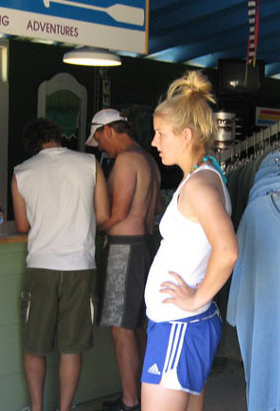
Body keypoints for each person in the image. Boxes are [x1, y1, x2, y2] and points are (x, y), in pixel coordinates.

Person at [141, 71, 238, 411]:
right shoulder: (204, 174)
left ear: (185, 136)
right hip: (180, 325)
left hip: (179, 327)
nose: (154, 142)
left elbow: (227, 251)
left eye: (160, 134)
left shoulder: (199, 185)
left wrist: (197, 297)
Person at [11, 118, 110, 411]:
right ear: (58, 136)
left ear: (31, 143)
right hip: (80, 265)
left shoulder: (22, 172)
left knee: (35, 345)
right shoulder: (90, 164)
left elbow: (21, 224)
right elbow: (103, 215)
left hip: (41, 265)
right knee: (71, 347)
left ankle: (38, 408)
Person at [86, 108, 161, 411]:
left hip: (123, 251)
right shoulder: (149, 160)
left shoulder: (127, 159)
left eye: (99, 140)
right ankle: (144, 397)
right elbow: (154, 208)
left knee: (121, 328)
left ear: (108, 131)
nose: (101, 147)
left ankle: (130, 401)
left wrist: (89, 225)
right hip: (145, 247)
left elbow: (117, 214)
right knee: (139, 326)